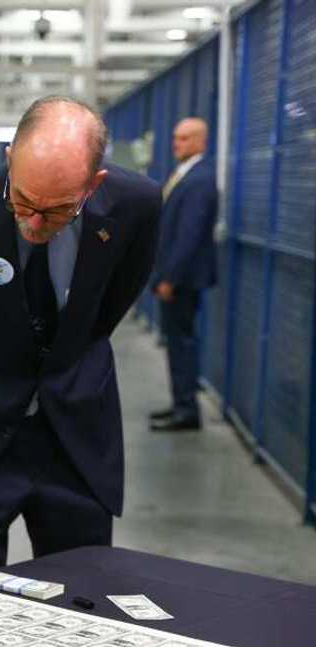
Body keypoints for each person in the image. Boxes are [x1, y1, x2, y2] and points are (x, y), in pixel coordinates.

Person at [0, 95, 161, 580]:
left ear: (94, 183)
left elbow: (107, 309)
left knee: (81, 601)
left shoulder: (136, 207)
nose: (35, 223)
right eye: (22, 202)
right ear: (10, 159)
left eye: (58, 210)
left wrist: (61, 364)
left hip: (74, 431)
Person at [150, 117, 218, 432]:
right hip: (177, 276)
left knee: (182, 342)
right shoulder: (185, 174)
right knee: (177, 342)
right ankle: (181, 403)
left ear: (202, 141)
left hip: (183, 279)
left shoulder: (200, 178)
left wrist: (170, 278)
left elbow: (189, 235)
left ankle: (187, 410)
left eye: (186, 138)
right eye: (176, 138)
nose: (178, 144)